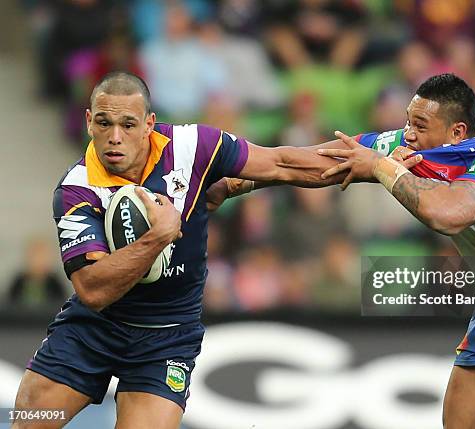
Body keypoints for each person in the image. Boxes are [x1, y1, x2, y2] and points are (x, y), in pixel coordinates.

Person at [215, 74, 475, 428]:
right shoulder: (409, 147)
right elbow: (308, 162)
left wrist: (383, 168)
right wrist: (236, 183)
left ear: (457, 133)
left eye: (420, 125)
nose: (407, 134)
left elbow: (447, 214)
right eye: (407, 120)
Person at [11, 71, 348, 429]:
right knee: (28, 423)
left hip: (166, 339)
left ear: (149, 125)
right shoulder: (77, 189)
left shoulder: (193, 145)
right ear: (89, 122)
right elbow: (93, 290)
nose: (115, 137)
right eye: (105, 123)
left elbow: (281, 164)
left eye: (128, 124)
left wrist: (374, 159)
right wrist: (158, 237)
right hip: (91, 331)